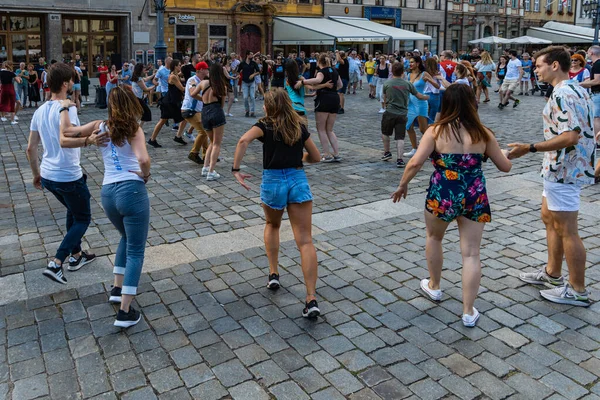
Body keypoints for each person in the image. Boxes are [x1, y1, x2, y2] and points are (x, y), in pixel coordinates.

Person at [392, 84, 512, 327]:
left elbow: (415, 162)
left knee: (434, 238)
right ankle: (468, 311)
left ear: (446, 103)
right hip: (473, 194)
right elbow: (505, 166)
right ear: (472, 103)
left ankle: (435, 286)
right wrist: (507, 153)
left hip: (443, 192)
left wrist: (403, 184)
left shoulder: (436, 131)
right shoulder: (483, 133)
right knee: (471, 253)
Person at [508, 46, 594, 307]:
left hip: (565, 169)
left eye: (539, 65)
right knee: (549, 219)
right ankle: (552, 274)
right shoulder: (575, 87)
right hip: (560, 168)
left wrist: (529, 148)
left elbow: (570, 136)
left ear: (555, 65)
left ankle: (578, 290)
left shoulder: (564, 93)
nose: (536, 69)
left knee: (568, 230)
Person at [231, 89, 322, 318]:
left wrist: (236, 170)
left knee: (272, 225)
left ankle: (273, 273)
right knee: (305, 241)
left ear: (269, 106)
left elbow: (243, 140)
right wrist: (298, 158)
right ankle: (311, 297)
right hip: (297, 179)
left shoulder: (265, 125)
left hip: (272, 181)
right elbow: (316, 157)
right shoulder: (299, 126)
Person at [26, 62, 106, 284]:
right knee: (82, 217)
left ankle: (77, 256)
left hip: (49, 174)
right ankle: (57, 262)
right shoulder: (67, 107)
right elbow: (66, 140)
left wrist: (36, 174)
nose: (73, 83)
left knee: (73, 210)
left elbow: (30, 148)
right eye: (71, 79)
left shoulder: (40, 110)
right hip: (68, 175)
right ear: (64, 83)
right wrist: (89, 140)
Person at [79, 86, 150, 327]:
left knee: (125, 237)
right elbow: (143, 159)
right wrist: (145, 174)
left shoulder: (101, 127)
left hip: (108, 192)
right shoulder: (133, 128)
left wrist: (87, 139)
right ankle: (125, 311)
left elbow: (69, 133)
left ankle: (117, 288)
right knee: (136, 251)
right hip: (131, 189)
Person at [381, 62, 429, 168]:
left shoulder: (387, 84)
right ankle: (400, 159)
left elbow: (384, 98)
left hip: (390, 112)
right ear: (403, 72)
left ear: (392, 71)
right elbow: (419, 96)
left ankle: (387, 152)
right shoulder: (407, 84)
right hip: (402, 114)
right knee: (400, 137)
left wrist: (386, 105)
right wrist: (426, 97)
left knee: (385, 133)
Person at [302, 54, 343, 162]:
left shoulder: (322, 71)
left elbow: (317, 80)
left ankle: (326, 154)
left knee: (321, 129)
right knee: (329, 129)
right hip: (335, 98)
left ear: (319, 62)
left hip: (324, 99)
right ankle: (336, 153)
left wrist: (303, 82)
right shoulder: (334, 71)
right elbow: (340, 85)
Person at [148, 59, 187, 147]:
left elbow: (181, 75)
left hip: (171, 101)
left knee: (166, 120)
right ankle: (153, 139)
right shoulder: (173, 76)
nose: (180, 67)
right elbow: (182, 88)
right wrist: (192, 86)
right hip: (170, 102)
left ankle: (177, 136)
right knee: (165, 120)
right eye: (179, 65)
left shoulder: (175, 74)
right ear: (175, 66)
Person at [200, 63, 228, 180]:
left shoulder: (203, 83)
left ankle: (205, 167)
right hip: (216, 111)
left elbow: (193, 93)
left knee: (211, 141)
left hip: (204, 111)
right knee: (217, 143)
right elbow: (221, 105)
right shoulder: (222, 86)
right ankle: (211, 172)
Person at [404, 57, 432, 158]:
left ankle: (431, 149)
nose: (410, 64)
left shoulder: (424, 74)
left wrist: (428, 96)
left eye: (412, 62)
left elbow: (434, 85)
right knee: (408, 126)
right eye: (409, 62)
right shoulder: (408, 75)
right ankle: (414, 149)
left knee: (423, 129)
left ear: (418, 63)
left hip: (421, 103)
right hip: (411, 103)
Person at [185, 61, 210, 165]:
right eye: (206, 69)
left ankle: (206, 155)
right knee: (203, 132)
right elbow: (192, 94)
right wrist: (205, 99)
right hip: (189, 110)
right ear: (201, 70)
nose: (208, 70)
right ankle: (194, 152)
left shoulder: (202, 80)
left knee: (205, 132)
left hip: (197, 110)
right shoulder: (192, 80)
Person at [131, 63, 155, 130]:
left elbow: (146, 79)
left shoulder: (138, 77)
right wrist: (154, 86)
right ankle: (138, 128)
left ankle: (137, 128)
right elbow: (145, 89)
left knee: (139, 113)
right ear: (140, 69)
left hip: (136, 98)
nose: (145, 69)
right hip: (137, 99)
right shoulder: (138, 79)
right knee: (146, 112)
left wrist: (154, 74)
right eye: (143, 68)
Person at [238, 50, 260, 117]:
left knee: (252, 97)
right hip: (244, 82)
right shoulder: (242, 63)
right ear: (247, 55)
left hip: (252, 82)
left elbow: (258, 71)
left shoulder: (253, 63)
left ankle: (252, 111)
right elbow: (238, 71)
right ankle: (247, 110)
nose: (252, 56)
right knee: (245, 97)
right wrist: (239, 75)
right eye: (251, 54)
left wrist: (253, 75)